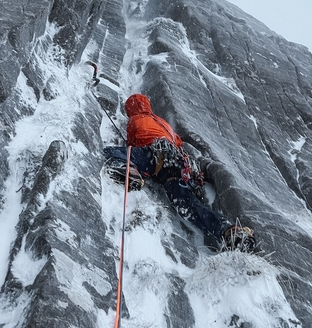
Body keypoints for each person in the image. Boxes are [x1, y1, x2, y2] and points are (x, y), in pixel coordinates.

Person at [104, 93, 255, 252]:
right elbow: (178, 142)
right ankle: (228, 231)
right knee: (189, 204)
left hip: (154, 156)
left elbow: (132, 142)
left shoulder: (135, 120)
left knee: (114, 152)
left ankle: (128, 171)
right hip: (177, 165)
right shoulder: (164, 123)